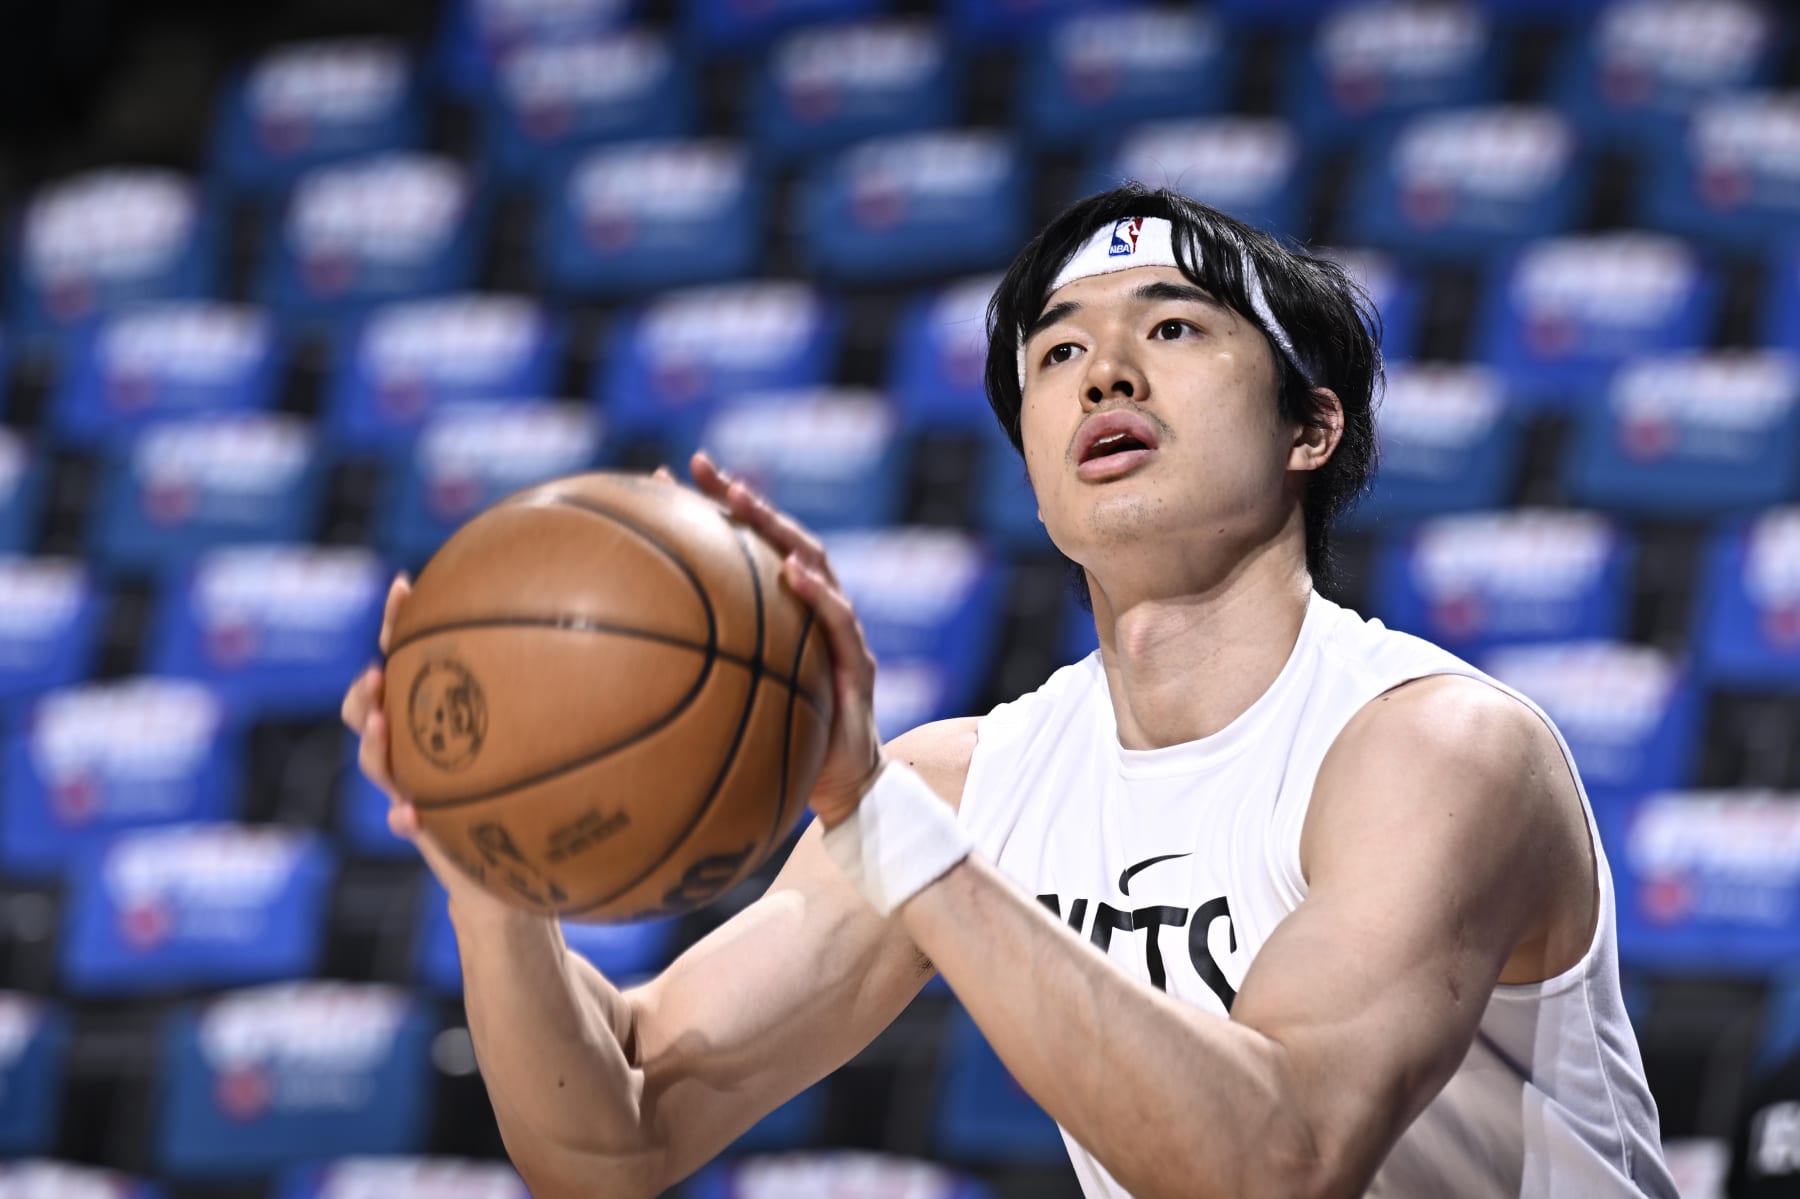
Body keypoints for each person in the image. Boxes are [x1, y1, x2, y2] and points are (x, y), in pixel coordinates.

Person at [342, 185, 1678, 1198]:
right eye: (1056, 355)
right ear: (1034, 466)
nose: (1104, 370)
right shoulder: (965, 786)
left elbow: (1279, 1159)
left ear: (1309, 430)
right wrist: (490, 869)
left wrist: (881, 820)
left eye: (1173, 327)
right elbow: (613, 1133)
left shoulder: (1438, 748)